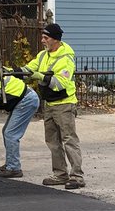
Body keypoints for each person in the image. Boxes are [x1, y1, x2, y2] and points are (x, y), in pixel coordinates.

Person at [16, 23, 84, 190]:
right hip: (50, 104)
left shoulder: (66, 59)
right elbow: (28, 69)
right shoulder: (42, 55)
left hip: (64, 105)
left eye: (46, 38)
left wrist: (38, 76)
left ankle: (77, 176)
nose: (42, 40)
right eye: (43, 37)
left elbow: (59, 84)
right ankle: (60, 174)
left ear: (56, 40)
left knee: (69, 140)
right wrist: (13, 71)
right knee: (53, 141)